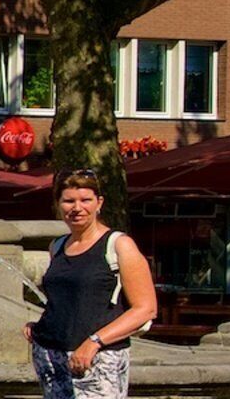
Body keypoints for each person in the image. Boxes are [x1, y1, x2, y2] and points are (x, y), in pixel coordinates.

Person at [28, 171, 156, 399]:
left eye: (85, 200)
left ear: (99, 203)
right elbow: (66, 301)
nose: (77, 208)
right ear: (58, 204)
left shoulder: (119, 245)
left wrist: (94, 342)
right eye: (69, 201)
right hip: (51, 357)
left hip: (98, 358)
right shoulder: (57, 246)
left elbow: (146, 309)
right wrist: (38, 327)